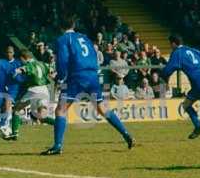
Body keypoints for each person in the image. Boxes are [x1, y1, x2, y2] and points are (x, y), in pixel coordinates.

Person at [41, 14, 135, 155]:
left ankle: (57, 146)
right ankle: (126, 134)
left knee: (61, 110)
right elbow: (93, 55)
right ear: (73, 25)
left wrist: (60, 77)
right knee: (102, 107)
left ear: (60, 27)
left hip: (77, 76)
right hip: (92, 75)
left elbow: (63, 60)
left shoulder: (63, 40)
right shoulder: (84, 38)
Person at [161, 35, 200, 139]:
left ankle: (198, 127)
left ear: (173, 43)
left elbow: (168, 69)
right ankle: (198, 127)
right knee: (186, 105)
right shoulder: (191, 49)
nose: (170, 47)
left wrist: (162, 76)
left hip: (199, 84)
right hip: (198, 83)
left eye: (170, 44)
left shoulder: (177, 53)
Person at [6, 49, 55, 140]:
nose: (21, 62)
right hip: (44, 90)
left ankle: (15, 133)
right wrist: (53, 75)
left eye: (21, 60)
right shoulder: (42, 63)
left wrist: (17, 71)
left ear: (23, 58)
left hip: (34, 90)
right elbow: (52, 70)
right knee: (41, 117)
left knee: (16, 109)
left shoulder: (29, 64)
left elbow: (25, 69)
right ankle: (58, 124)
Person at [0, 46, 22, 137]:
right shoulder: (2, 63)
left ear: (13, 53)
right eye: (7, 52)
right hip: (2, 88)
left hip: (14, 88)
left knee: (8, 103)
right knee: (3, 107)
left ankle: (5, 125)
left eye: (10, 52)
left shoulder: (18, 63)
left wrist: (15, 76)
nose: (9, 54)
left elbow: (22, 78)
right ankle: (4, 125)